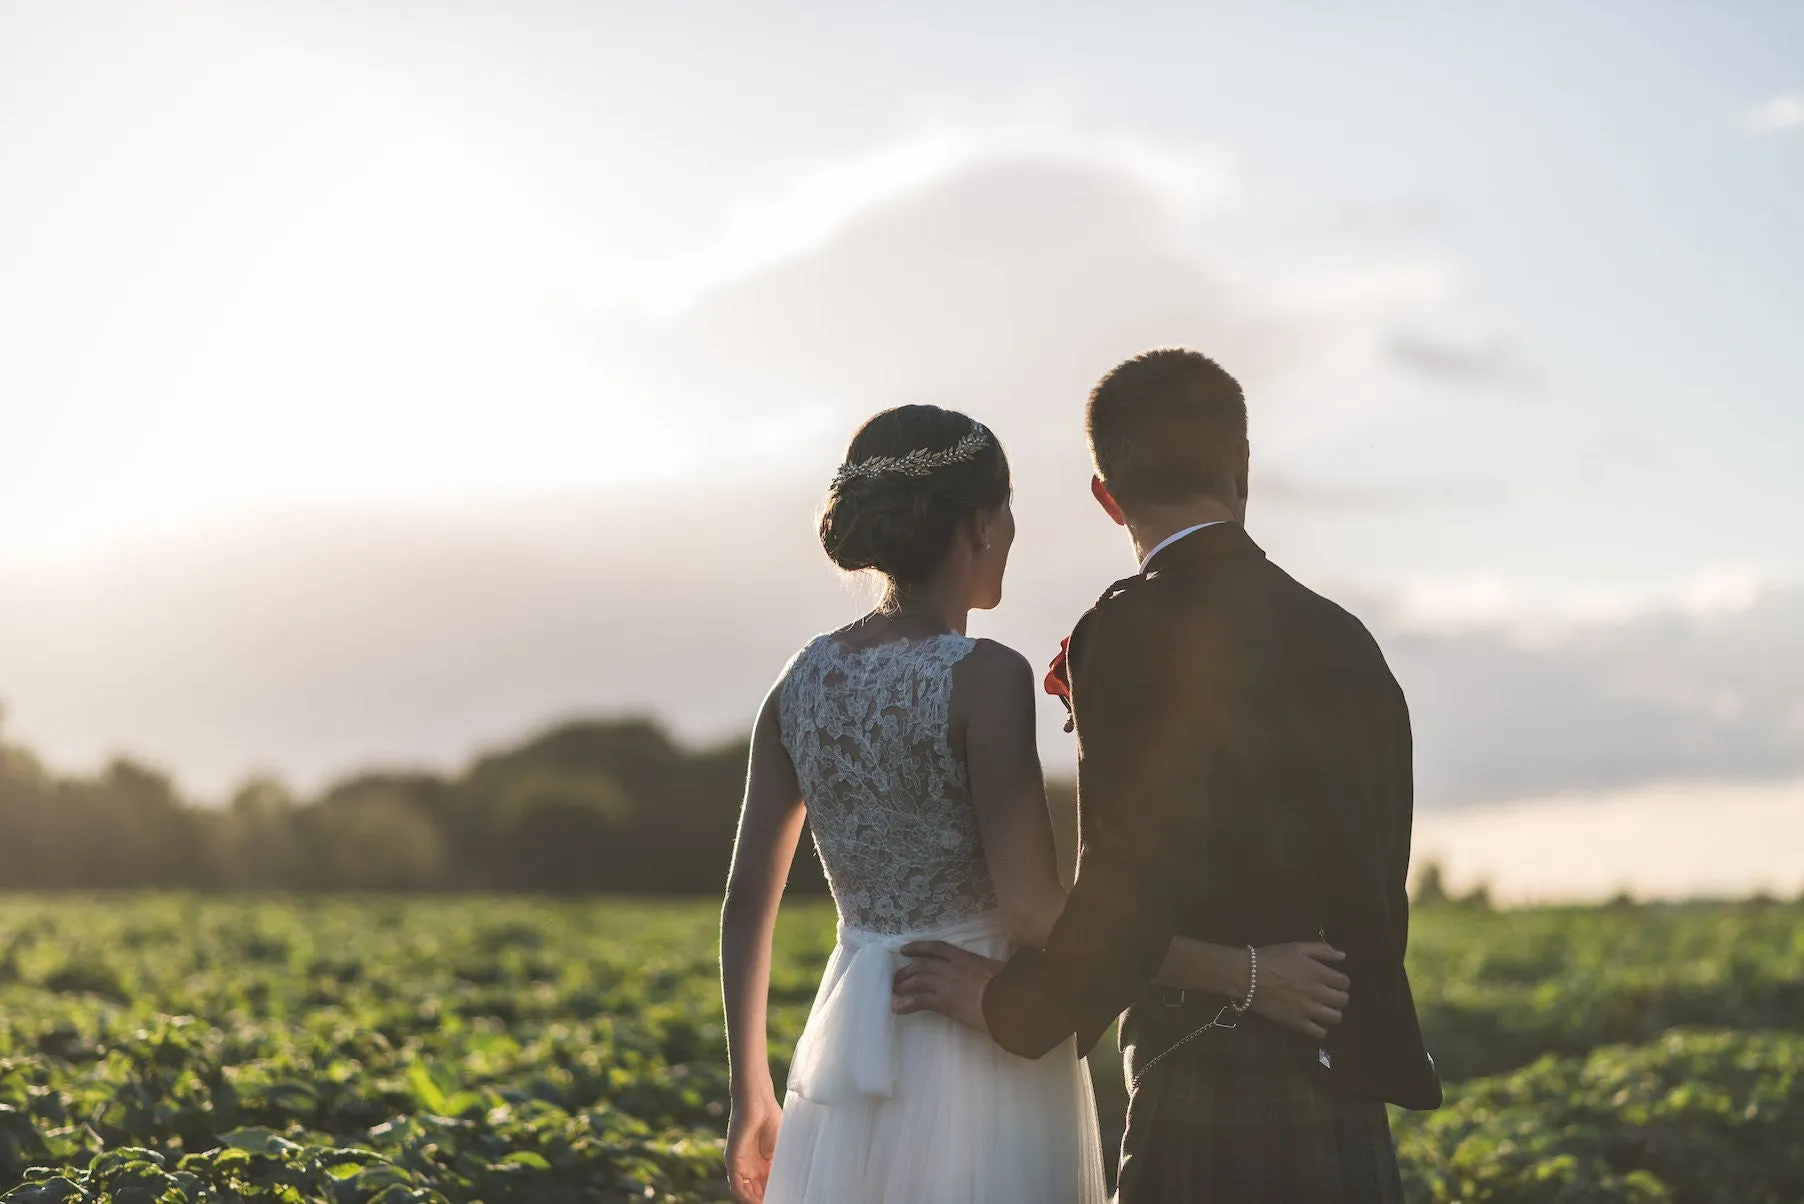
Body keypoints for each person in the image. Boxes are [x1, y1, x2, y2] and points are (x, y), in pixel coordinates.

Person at [719, 402, 1354, 1204]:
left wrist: (753, 1095)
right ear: (981, 525)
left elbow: (747, 901)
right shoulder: (983, 675)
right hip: (979, 1045)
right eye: (1009, 510)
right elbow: (1034, 917)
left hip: (845, 1055)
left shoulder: (798, 681)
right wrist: (1241, 972)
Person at [893, 351, 1443, 1202]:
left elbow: (1130, 876)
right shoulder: (1346, 639)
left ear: (1106, 497)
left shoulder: (1127, 631)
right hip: (1341, 1074)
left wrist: (1017, 1006)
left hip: (1203, 1060)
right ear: (1244, 462)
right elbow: (1382, 874)